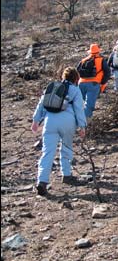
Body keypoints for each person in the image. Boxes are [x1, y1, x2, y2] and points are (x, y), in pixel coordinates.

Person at [31, 67, 87, 196]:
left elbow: (41, 104)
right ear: (76, 78)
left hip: (50, 121)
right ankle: (66, 175)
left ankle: (42, 181)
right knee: (66, 148)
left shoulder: (52, 87)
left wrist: (35, 121)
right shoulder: (75, 90)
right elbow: (79, 109)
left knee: (47, 152)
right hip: (67, 122)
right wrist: (82, 126)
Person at [76, 43, 111, 121]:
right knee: (89, 105)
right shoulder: (101, 60)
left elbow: (76, 71)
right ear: (98, 51)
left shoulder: (83, 60)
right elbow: (107, 72)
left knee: (80, 104)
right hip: (93, 84)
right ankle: (85, 124)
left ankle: (78, 121)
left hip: (81, 84)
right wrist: (102, 83)